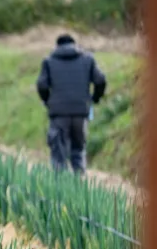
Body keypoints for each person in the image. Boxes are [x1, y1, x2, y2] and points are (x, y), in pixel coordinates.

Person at [36, 34, 107, 175]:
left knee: (59, 157)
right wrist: (95, 98)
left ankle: (61, 191)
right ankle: (79, 187)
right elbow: (100, 80)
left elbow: (42, 85)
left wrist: (47, 101)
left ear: (57, 46)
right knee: (78, 152)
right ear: (75, 44)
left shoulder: (49, 61)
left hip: (58, 116)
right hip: (80, 114)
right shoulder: (88, 59)